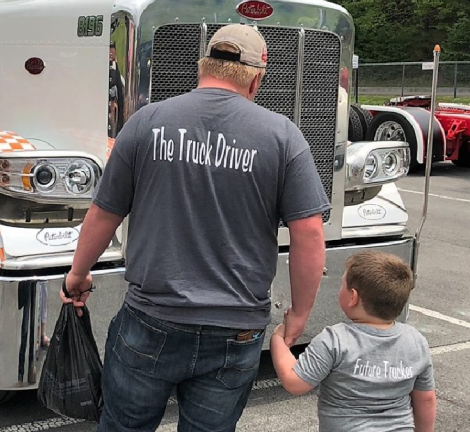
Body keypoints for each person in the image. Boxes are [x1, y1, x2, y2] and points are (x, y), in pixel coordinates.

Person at [61, 24, 329, 431]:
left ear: (202, 65)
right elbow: (308, 233)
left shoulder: (146, 122)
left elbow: (104, 212)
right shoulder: (283, 137)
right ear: (257, 76)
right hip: (237, 330)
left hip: (151, 320)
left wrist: (77, 276)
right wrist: (298, 315)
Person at [270, 251, 436, 432]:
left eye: (342, 284)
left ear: (353, 297)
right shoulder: (416, 341)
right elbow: (426, 398)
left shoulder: (335, 340)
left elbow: (295, 382)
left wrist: (277, 338)